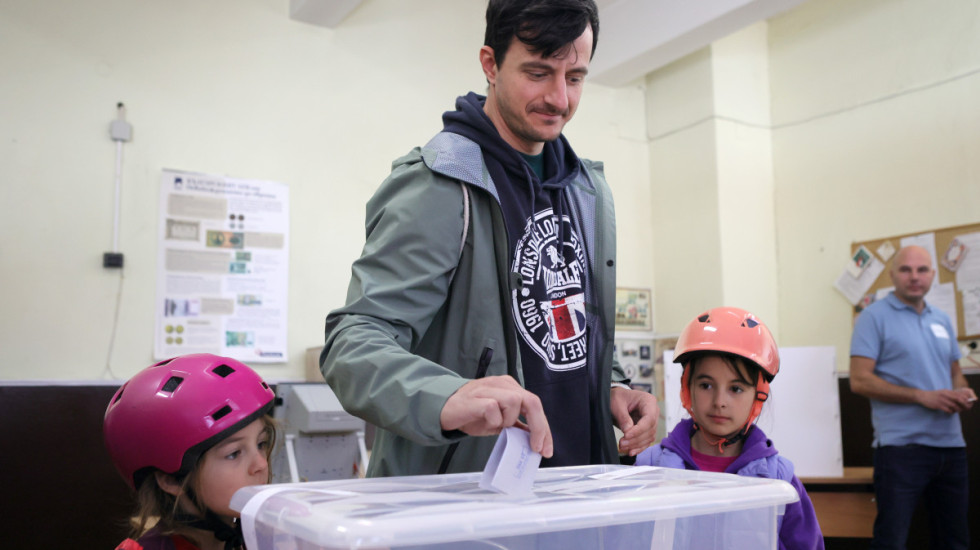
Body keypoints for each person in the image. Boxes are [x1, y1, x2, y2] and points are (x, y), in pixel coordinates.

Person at [320, 0, 659, 477]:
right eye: (538, 73)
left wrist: (612, 388)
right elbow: (353, 345)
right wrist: (446, 396)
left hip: (578, 491)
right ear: (490, 64)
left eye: (576, 77)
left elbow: (569, 335)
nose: (559, 98)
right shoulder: (439, 183)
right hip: (470, 505)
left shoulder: (588, 191)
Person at [635, 307, 823, 550]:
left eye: (736, 389)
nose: (719, 401)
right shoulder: (649, 468)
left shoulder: (779, 479)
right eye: (706, 385)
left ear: (758, 395)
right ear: (686, 387)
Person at [850, 245, 975, 550]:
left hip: (951, 448)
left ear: (933, 274)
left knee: (955, 541)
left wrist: (963, 391)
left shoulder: (942, 319)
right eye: (906, 269)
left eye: (922, 270)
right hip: (901, 450)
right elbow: (858, 380)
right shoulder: (872, 317)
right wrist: (921, 396)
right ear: (892, 275)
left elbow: (955, 373)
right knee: (891, 541)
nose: (914, 277)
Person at [103, 354, 277, 550]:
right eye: (234, 453)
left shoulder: (257, 538)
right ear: (171, 480)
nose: (261, 465)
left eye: (261, 444)